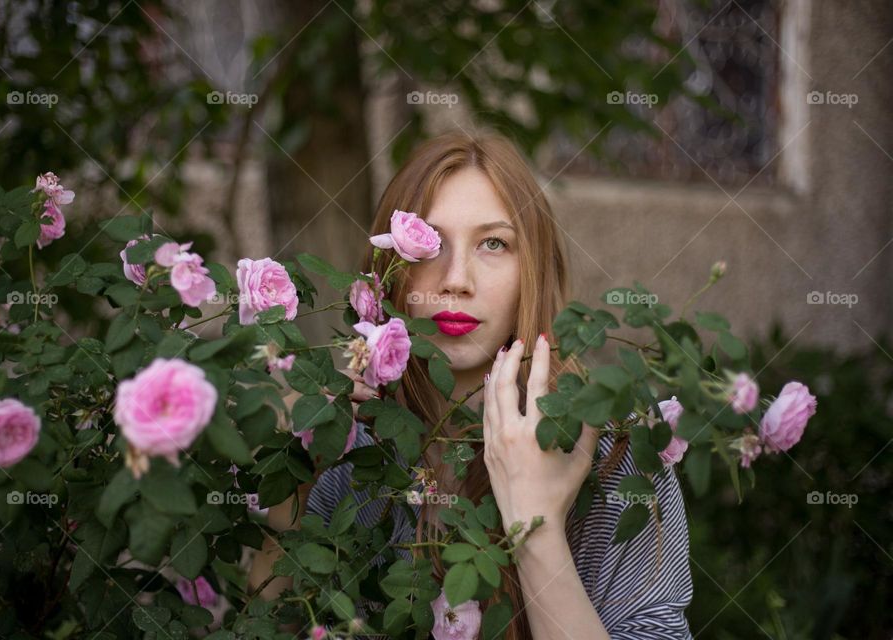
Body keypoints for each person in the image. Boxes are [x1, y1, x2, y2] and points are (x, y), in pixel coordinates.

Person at [249, 130, 694, 639]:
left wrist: (536, 522)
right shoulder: (353, 450)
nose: (456, 279)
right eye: (431, 244)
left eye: (493, 244)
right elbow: (263, 623)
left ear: (534, 271)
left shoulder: (613, 455)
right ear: (388, 274)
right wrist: (289, 492)